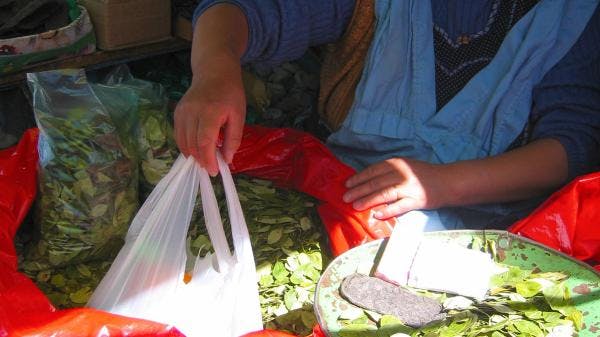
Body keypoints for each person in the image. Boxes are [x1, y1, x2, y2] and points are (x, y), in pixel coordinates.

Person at [174, 0, 600, 230]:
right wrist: (215, 69)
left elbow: (569, 146)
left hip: (490, 232)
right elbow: (246, 10)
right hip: (344, 201)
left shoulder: (573, 15)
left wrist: (441, 184)